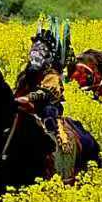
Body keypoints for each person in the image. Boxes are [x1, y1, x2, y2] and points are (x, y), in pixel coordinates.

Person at [14, 18, 81, 178]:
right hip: (24, 106)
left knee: (49, 114)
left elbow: (47, 92)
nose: (35, 55)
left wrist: (29, 97)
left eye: (41, 51)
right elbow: (17, 89)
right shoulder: (26, 74)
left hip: (45, 106)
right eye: (34, 50)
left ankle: (56, 144)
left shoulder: (51, 74)